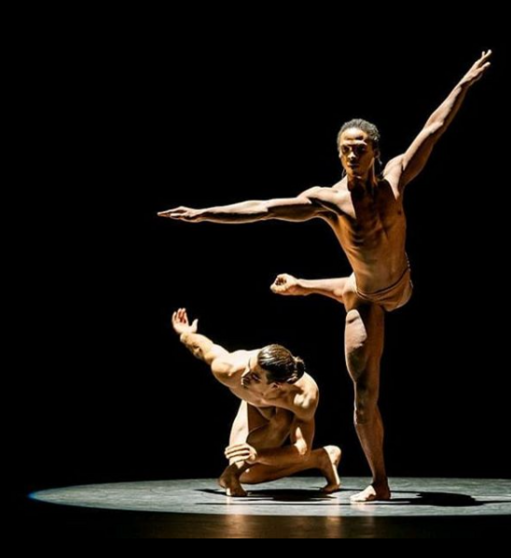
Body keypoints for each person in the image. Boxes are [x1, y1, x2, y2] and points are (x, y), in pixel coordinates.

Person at [160, 52, 492, 501]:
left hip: (398, 287)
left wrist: (464, 83)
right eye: (345, 148)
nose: (353, 154)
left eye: (360, 147)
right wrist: (204, 215)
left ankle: (305, 285)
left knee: (356, 285)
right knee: (364, 396)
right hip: (366, 297)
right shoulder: (328, 201)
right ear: (338, 155)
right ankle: (380, 484)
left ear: (375, 150)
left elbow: (433, 128)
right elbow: (264, 209)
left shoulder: (395, 179)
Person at [171, 308, 342, 497]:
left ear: (276, 386)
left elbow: (301, 449)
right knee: (248, 475)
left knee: (282, 421)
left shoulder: (302, 398)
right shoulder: (231, 370)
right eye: (249, 367)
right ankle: (321, 459)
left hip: (280, 414)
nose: (244, 376)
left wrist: (258, 455)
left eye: (253, 376)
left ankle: (315, 456)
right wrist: (186, 333)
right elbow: (204, 349)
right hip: (253, 405)